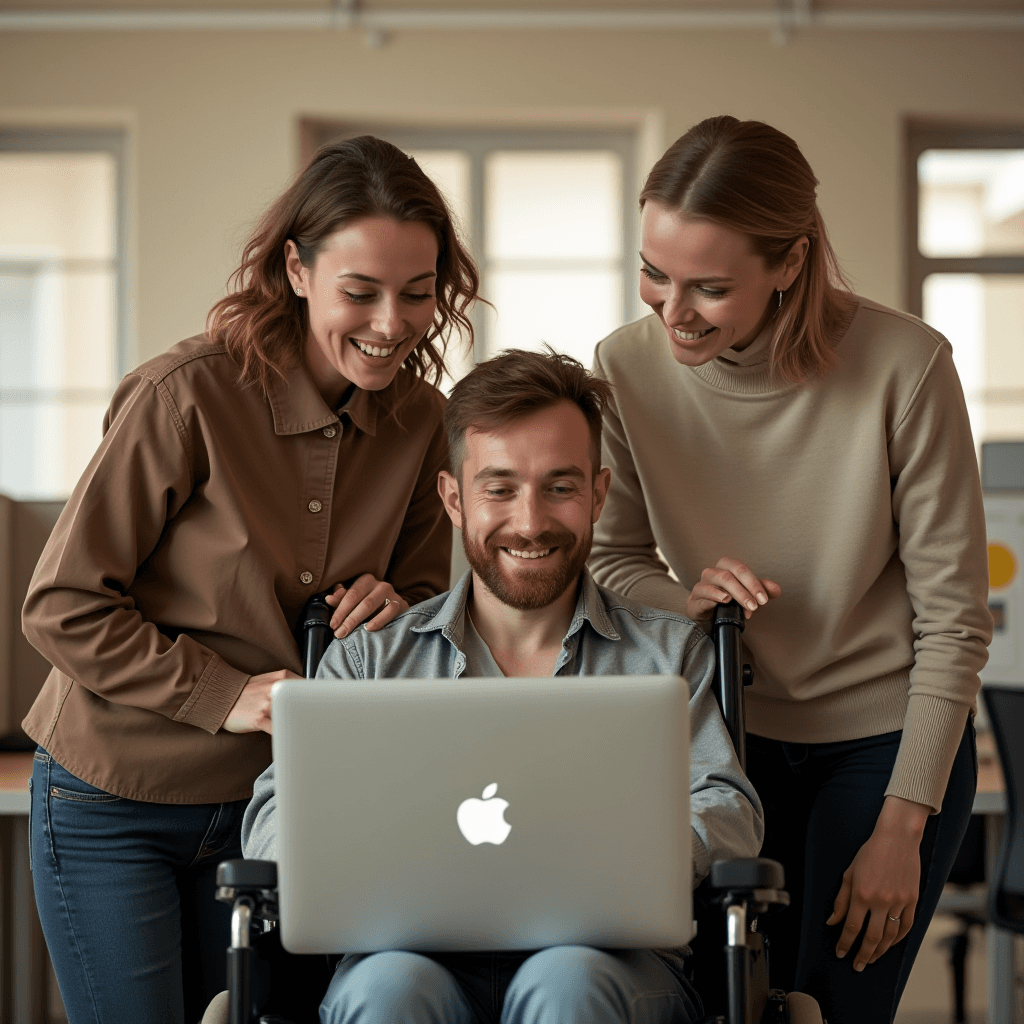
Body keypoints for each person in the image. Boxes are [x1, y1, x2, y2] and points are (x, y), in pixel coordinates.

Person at [21, 135, 479, 1024]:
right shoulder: (183, 396)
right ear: (296, 269)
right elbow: (61, 606)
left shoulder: (426, 420)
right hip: (113, 803)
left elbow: (425, 599)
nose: (393, 323)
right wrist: (225, 693)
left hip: (277, 809)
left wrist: (403, 604)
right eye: (361, 292)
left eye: (418, 295)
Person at [588, 115, 992, 1024]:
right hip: (721, 737)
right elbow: (612, 562)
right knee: (723, 1007)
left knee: (834, 1006)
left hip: (883, 745)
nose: (671, 308)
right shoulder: (622, 367)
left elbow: (955, 620)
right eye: (654, 272)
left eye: (709, 287)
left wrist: (903, 830)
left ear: (792, 262)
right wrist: (685, 598)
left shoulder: (907, 366)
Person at [242, 348, 764, 1024]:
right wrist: (341, 862)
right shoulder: (369, 663)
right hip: (403, 956)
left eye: (560, 485)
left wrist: (644, 860)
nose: (529, 521)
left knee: (566, 979)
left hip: (609, 962)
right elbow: (274, 812)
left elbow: (726, 803)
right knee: (388, 991)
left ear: (599, 494)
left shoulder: (669, 655)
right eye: (499, 487)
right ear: (454, 499)